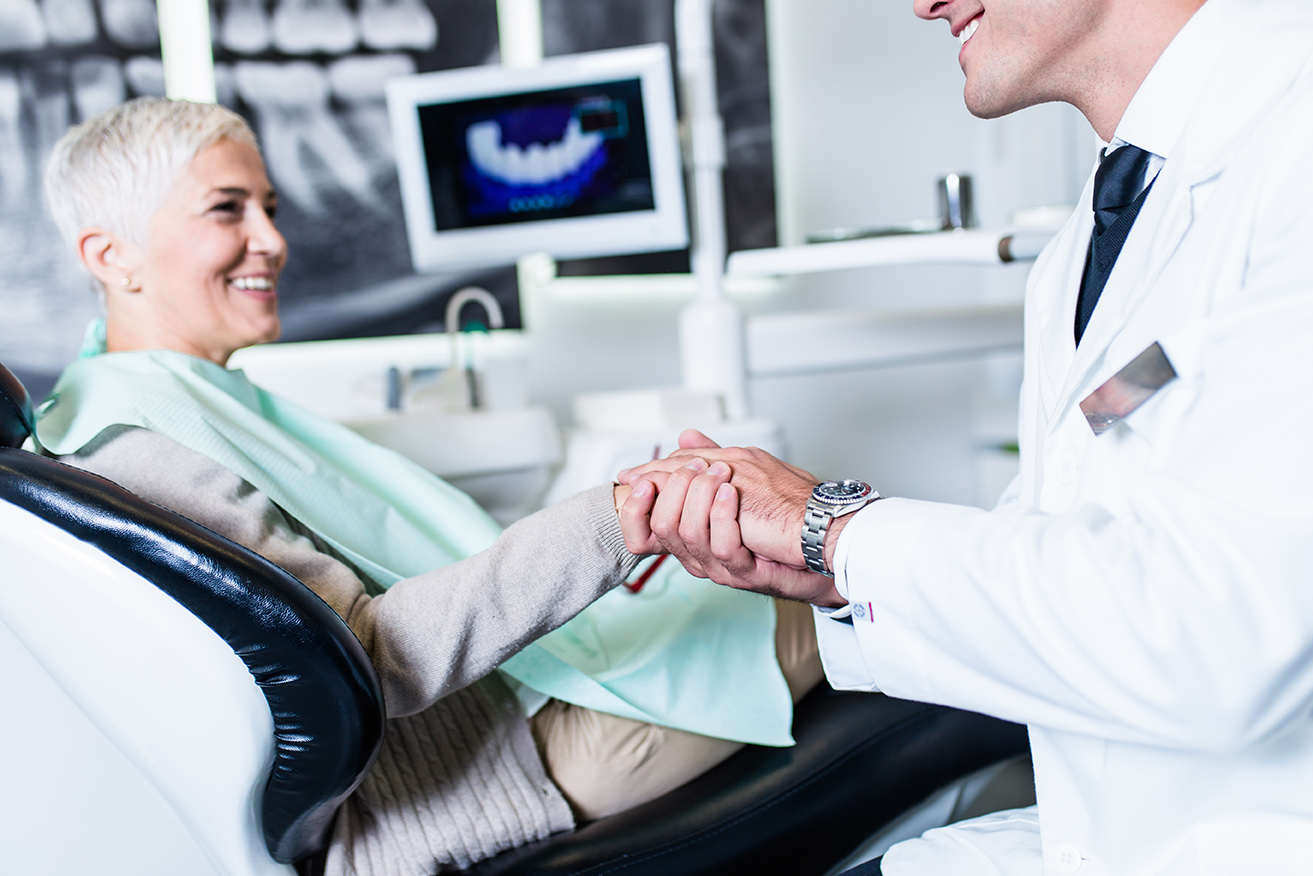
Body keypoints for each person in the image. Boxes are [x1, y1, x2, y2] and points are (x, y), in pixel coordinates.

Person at [34, 96, 821, 876]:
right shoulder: (141, 445)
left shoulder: (147, 400)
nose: (271, 240)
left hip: (505, 712)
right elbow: (370, 655)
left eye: (268, 208)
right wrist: (616, 518)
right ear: (111, 256)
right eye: (226, 210)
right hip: (504, 763)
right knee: (856, 585)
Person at [618, 0, 1313, 873]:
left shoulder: (1294, 151)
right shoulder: (1083, 250)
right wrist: (825, 568)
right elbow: (1058, 554)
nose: (921, 2)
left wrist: (833, 527)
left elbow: (1222, 637)